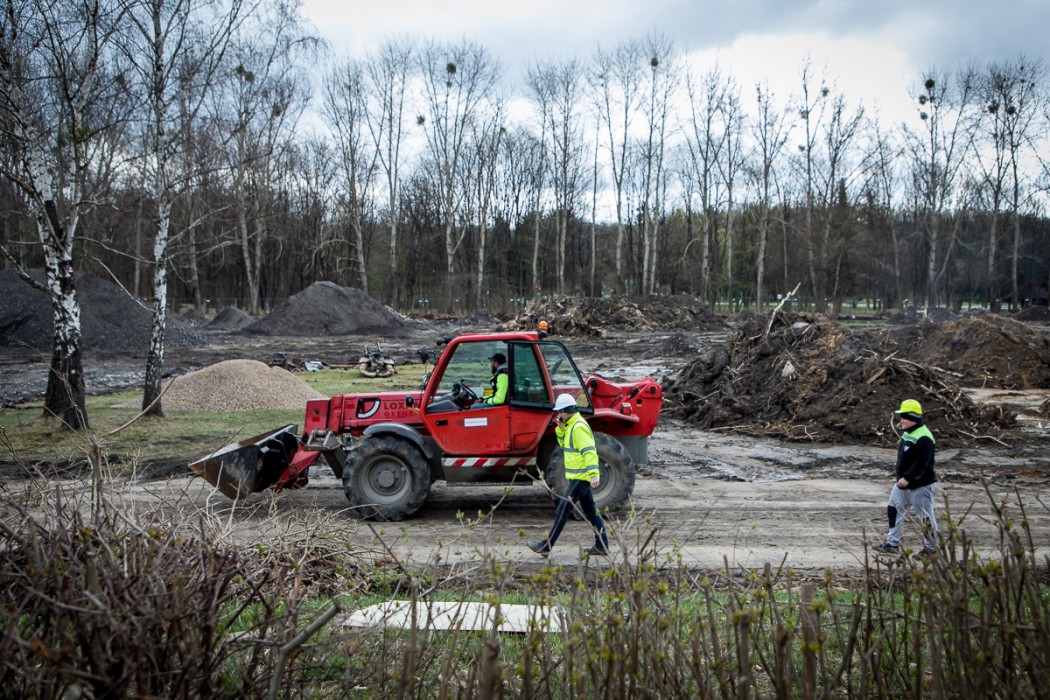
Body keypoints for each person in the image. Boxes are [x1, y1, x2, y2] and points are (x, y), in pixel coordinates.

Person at [529, 394, 609, 557]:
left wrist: (594, 474)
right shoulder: (571, 425)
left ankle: (546, 546)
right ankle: (602, 545)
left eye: (560, 412)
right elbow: (564, 444)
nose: (558, 415)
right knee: (591, 514)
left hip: (580, 477)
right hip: (578, 477)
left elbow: (589, 452)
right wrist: (560, 428)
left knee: (562, 511)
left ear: (568, 410)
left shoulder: (578, 427)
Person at [875, 399, 938, 558]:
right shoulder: (908, 433)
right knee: (893, 509)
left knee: (925, 518)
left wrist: (908, 478)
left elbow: (922, 463)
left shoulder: (924, 437)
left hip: (920, 486)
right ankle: (892, 544)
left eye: (903, 417)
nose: (901, 420)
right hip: (903, 485)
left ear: (912, 418)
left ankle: (931, 548)